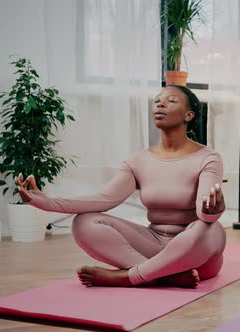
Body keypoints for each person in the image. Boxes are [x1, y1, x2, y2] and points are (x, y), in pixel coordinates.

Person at [16, 85, 226, 288]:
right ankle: (162, 276)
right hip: (152, 245)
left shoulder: (208, 157)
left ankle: (128, 277)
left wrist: (211, 212)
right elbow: (104, 199)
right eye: (157, 102)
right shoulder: (139, 159)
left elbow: (205, 211)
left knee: (209, 228)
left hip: (194, 254)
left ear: (188, 116)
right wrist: (44, 201)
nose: (160, 105)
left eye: (170, 101)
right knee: (84, 222)